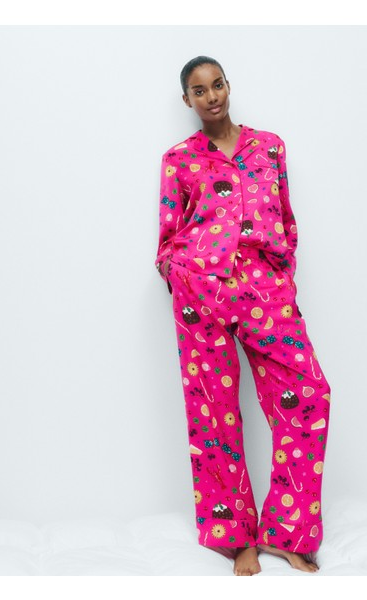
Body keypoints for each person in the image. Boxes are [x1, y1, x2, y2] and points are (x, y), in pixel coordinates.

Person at [154, 56, 331, 576]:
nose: (211, 96)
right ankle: (236, 539)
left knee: (310, 394)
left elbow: (286, 219)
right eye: (199, 90)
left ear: (228, 86)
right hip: (201, 289)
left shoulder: (269, 147)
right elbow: (167, 233)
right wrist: (180, 274)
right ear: (187, 100)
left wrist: (283, 277)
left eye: (218, 84)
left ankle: (287, 532)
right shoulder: (178, 159)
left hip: (263, 287)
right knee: (214, 413)